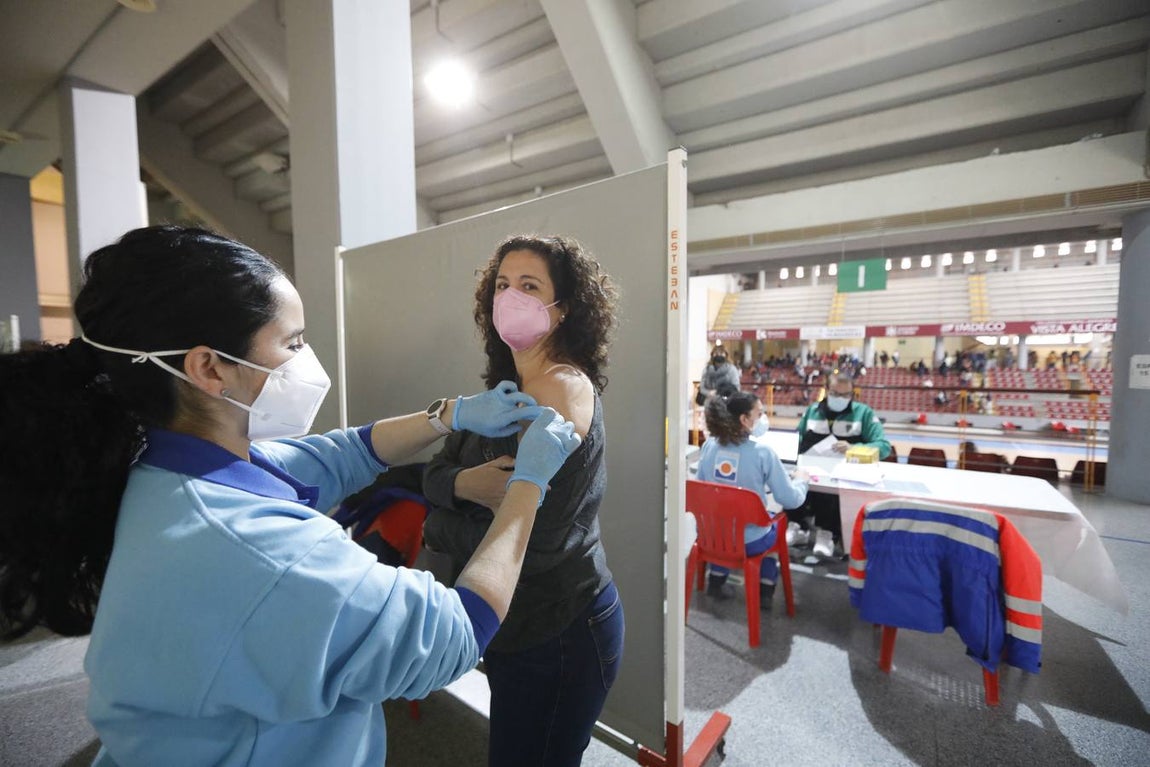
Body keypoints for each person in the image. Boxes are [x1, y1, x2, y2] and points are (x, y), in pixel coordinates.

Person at [0, 226, 582, 767]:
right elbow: (454, 636)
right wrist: (528, 485)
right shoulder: (265, 553)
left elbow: (336, 457)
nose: (306, 361)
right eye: (292, 342)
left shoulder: (154, 464)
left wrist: (447, 415)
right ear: (209, 368)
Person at [421, 234, 622, 767]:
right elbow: (434, 475)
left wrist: (437, 527)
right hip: (510, 624)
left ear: (563, 310)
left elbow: (533, 543)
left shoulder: (562, 392)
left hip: (559, 629)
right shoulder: (506, 387)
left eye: (529, 286)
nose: (511, 296)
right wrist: (464, 488)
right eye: (503, 285)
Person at [694, 391, 809, 603]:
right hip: (750, 542)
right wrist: (802, 480)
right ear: (744, 419)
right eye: (759, 414)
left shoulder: (709, 445)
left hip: (711, 536)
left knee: (726, 520)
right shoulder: (763, 452)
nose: (763, 419)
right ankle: (766, 591)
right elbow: (790, 499)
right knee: (774, 524)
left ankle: (716, 581)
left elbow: (701, 488)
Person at [794, 373, 892, 557]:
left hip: (846, 475)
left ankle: (827, 534)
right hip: (812, 471)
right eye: (835, 393)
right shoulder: (812, 411)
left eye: (846, 395)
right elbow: (797, 439)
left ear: (853, 394)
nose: (840, 399)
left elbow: (884, 447)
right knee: (792, 478)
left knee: (831, 491)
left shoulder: (864, 413)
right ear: (826, 391)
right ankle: (798, 528)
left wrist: (853, 448)